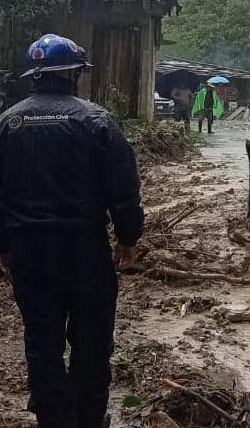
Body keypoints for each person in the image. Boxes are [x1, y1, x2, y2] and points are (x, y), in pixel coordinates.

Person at [0, 34, 144, 428]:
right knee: (92, 340)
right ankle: (89, 418)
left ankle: (53, 418)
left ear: (36, 76)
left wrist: (3, 247)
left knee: (41, 340)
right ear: (73, 74)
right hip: (85, 251)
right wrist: (128, 238)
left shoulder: (7, 124)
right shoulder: (95, 120)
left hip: (29, 254)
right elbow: (123, 189)